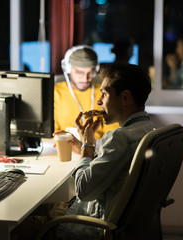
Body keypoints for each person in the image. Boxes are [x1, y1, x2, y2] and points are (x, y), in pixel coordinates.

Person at [12, 62, 153, 240]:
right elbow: (114, 169)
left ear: (125, 97)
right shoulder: (147, 129)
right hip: (123, 220)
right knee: (42, 203)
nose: (100, 101)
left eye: (104, 93)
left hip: (90, 224)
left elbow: (84, 190)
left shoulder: (119, 137)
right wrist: (83, 147)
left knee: (16, 219)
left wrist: (88, 144)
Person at [54, 45, 118, 140]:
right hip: (63, 146)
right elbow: (51, 133)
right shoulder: (55, 92)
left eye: (90, 73)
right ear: (68, 69)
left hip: (97, 148)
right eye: (80, 73)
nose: (85, 79)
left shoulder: (105, 92)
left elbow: (112, 133)